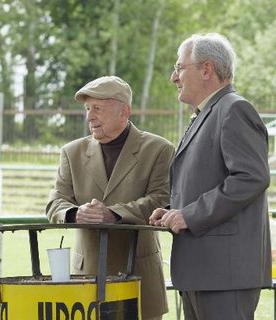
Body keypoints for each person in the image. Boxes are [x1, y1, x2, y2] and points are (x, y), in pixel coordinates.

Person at [149, 33, 271, 320]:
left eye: (180, 68)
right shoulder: (208, 113)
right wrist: (172, 212)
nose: (173, 77)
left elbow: (250, 177)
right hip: (204, 272)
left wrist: (189, 215)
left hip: (224, 276)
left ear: (206, 70)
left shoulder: (234, 109)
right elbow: (210, 180)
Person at [46, 76, 175, 320]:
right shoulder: (71, 152)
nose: (89, 117)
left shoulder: (159, 149)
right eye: (87, 109)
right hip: (86, 278)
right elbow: (56, 201)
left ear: (123, 111)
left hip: (139, 275)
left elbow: (162, 199)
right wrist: (76, 213)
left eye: (97, 109)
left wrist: (113, 214)